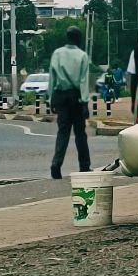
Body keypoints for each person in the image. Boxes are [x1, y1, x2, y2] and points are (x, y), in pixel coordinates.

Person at [48, 26, 91, 180]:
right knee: (80, 133)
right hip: (76, 97)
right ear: (78, 38)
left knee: (63, 132)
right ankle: (84, 166)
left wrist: (51, 99)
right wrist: (85, 102)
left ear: (67, 37)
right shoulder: (82, 55)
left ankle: (56, 163)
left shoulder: (57, 53)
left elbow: (52, 78)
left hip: (60, 96)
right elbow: (83, 80)